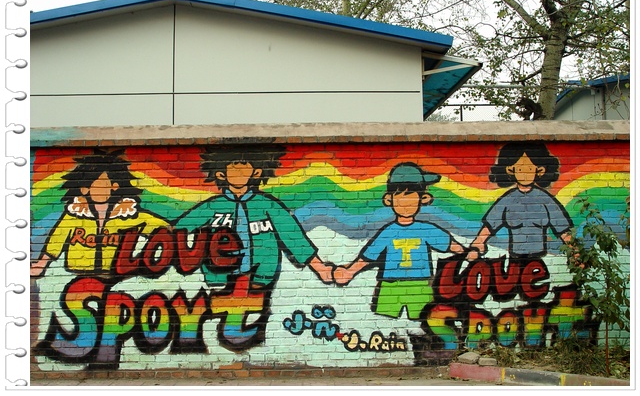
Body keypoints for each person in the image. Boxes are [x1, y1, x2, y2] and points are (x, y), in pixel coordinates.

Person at [173, 145, 333, 290]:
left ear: (256, 172)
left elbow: (293, 237)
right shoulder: (212, 207)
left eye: (244, 165)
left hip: (261, 278)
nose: (239, 171)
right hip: (219, 278)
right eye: (233, 167)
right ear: (221, 174)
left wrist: (320, 268)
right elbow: (178, 231)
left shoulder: (268, 205)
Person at [333, 162, 466, 320]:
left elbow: (450, 245)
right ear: (389, 199)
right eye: (400, 197)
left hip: (420, 284)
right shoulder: (388, 232)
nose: (406, 202)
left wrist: (467, 254)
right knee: (383, 321)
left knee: (424, 321)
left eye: (411, 197)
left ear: (424, 198)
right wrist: (350, 272)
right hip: (391, 285)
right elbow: (369, 255)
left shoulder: (427, 230)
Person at [30, 150, 169, 278]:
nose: (97, 189)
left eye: (102, 184)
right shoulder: (74, 215)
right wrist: (41, 264)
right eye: (92, 185)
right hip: (78, 275)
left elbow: (160, 228)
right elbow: (56, 241)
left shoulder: (129, 215)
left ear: (115, 186)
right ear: (84, 189)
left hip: (116, 277)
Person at [467, 142, 573, 261]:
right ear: (510, 170)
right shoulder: (507, 200)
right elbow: (490, 225)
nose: (525, 174)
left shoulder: (545, 200)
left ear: (540, 170)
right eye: (520, 169)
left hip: (539, 261)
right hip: (515, 260)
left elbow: (563, 229)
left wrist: (575, 252)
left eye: (529, 168)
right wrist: (477, 246)